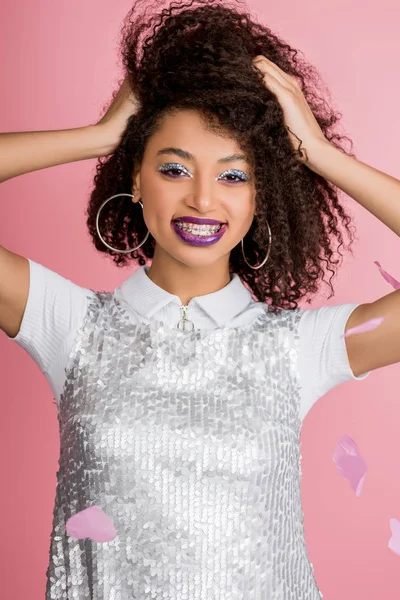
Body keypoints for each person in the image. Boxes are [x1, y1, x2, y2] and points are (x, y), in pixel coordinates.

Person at [1, 0, 400, 598]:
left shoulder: (300, 349)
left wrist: (321, 156)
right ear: (135, 177)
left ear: (262, 196)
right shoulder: (70, 325)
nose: (204, 201)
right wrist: (99, 136)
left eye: (234, 176)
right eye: (174, 169)